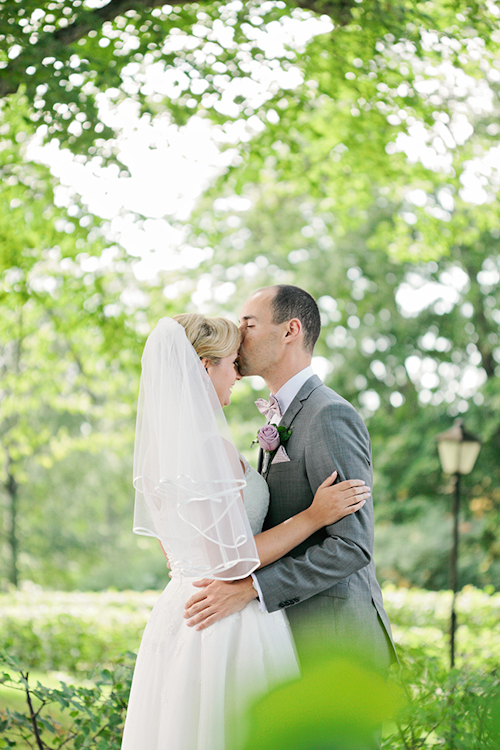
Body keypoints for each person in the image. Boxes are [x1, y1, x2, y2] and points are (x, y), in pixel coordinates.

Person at [121, 313, 370, 750]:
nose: (237, 374)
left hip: (183, 606)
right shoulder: (206, 447)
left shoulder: (160, 450)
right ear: (203, 367)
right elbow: (230, 560)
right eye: (231, 363)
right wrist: (314, 516)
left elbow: (175, 552)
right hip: (225, 620)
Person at [184, 286, 398, 675]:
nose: (238, 333)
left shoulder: (328, 415)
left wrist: (253, 589)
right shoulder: (276, 416)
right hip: (281, 638)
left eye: (248, 324)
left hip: (334, 641)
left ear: (290, 330)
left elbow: (351, 545)